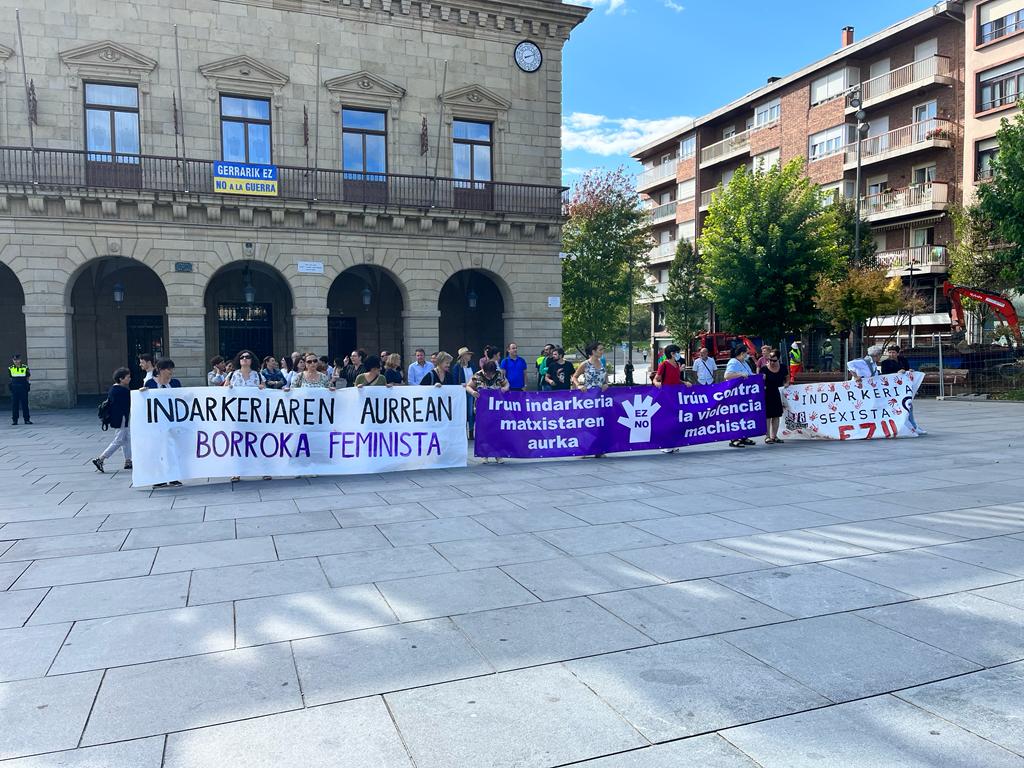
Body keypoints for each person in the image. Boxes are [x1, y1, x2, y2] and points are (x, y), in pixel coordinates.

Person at [466, 360, 510, 458]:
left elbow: (507, 384)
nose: (489, 375)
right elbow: (468, 386)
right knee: (484, 431)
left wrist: (505, 389)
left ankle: (498, 454)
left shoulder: (499, 374)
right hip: (482, 408)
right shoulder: (478, 375)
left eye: (491, 373)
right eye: (487, 373)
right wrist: (473, 392)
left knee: (497, 431)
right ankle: (484, 454)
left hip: (496, 407)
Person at [92, 367, 132, 472]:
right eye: (128, 377)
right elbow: (132, 399)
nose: (130, 379)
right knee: (119, 439)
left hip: (120, 417)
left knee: (126, 438)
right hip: (121, 418)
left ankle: (128, 461)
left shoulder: (114, 388)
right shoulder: (120, 390)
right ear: (121, 379)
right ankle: (101, 459)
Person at [724, 347, 755, 448]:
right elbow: (727, 375)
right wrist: (740, 374)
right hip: (735, 394)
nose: (748, 355)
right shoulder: (733, 362)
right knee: (735, 416)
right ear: (742, 353)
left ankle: (743, 436)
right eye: (746, 353)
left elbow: (749, 375)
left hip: (744, 394)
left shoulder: (745, 363)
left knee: (744, 415)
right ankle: (734, 438)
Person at [759, 349, 789, 444]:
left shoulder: (783, 367)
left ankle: (774, 436)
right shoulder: (764, 369)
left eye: (774, 360)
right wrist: (761, 380)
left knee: (776, 415)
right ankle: (767, 436)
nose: (772, 362)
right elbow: (758, 381)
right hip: (766, 393)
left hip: (777, 393)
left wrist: (787, 383)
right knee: (768, 416)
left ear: (778, 359)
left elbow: (787, 377)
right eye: (770, 360)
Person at [451, 347, 479, 439]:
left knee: (471, 412)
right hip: (461, 392)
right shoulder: (457, 367)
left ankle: (471, 432)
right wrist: (460, 386)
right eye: (468, 354)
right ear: (463, 356)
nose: (470, 356)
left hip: (471, 390)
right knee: (462, 413)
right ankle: (462, 432)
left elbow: (476, 377)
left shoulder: (472, 365)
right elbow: (455, 380)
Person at [8, 352, 31, 425]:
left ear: (20, 360)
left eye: (17, 360)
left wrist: (26, 385)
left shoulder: (25, 367)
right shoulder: (10, 368)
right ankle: (15, 420)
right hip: (15, 388)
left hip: (23, 387)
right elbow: (11, 378)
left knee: (25, 404)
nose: (16, 361)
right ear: (13, 360)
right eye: (14, 360)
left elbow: (27, 377)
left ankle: (26, 419)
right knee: (15, 405)